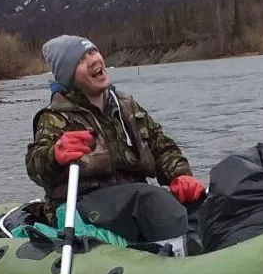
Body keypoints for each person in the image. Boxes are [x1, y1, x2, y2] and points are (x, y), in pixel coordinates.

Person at [24, 35, 205, 229]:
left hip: (135, 201)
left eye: (92, 52)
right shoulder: (55, 117)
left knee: (195, 205)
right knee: (147, 200)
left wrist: (180, 174)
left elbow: (160, 146)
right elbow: (36, 166)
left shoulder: (126, 106)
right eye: (81, 59)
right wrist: (55, 156)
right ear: (69, 76)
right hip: (85, 210)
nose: (93, 60)